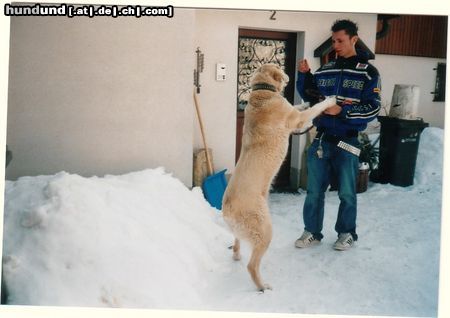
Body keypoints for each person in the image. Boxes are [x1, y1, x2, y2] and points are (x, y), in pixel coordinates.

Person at [295, 19, 381, 250]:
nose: (336, 45)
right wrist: (305, 75)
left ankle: (346, 233)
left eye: (340, 40)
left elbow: (373, 107)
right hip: (322, 140)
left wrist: (344, 111)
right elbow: (312, 96)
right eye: (334, 41)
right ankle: (311, 231)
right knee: (314, 191)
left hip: (348, 141)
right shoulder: (326, 69)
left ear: (354, 40)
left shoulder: (368, 72)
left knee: (346, 192)